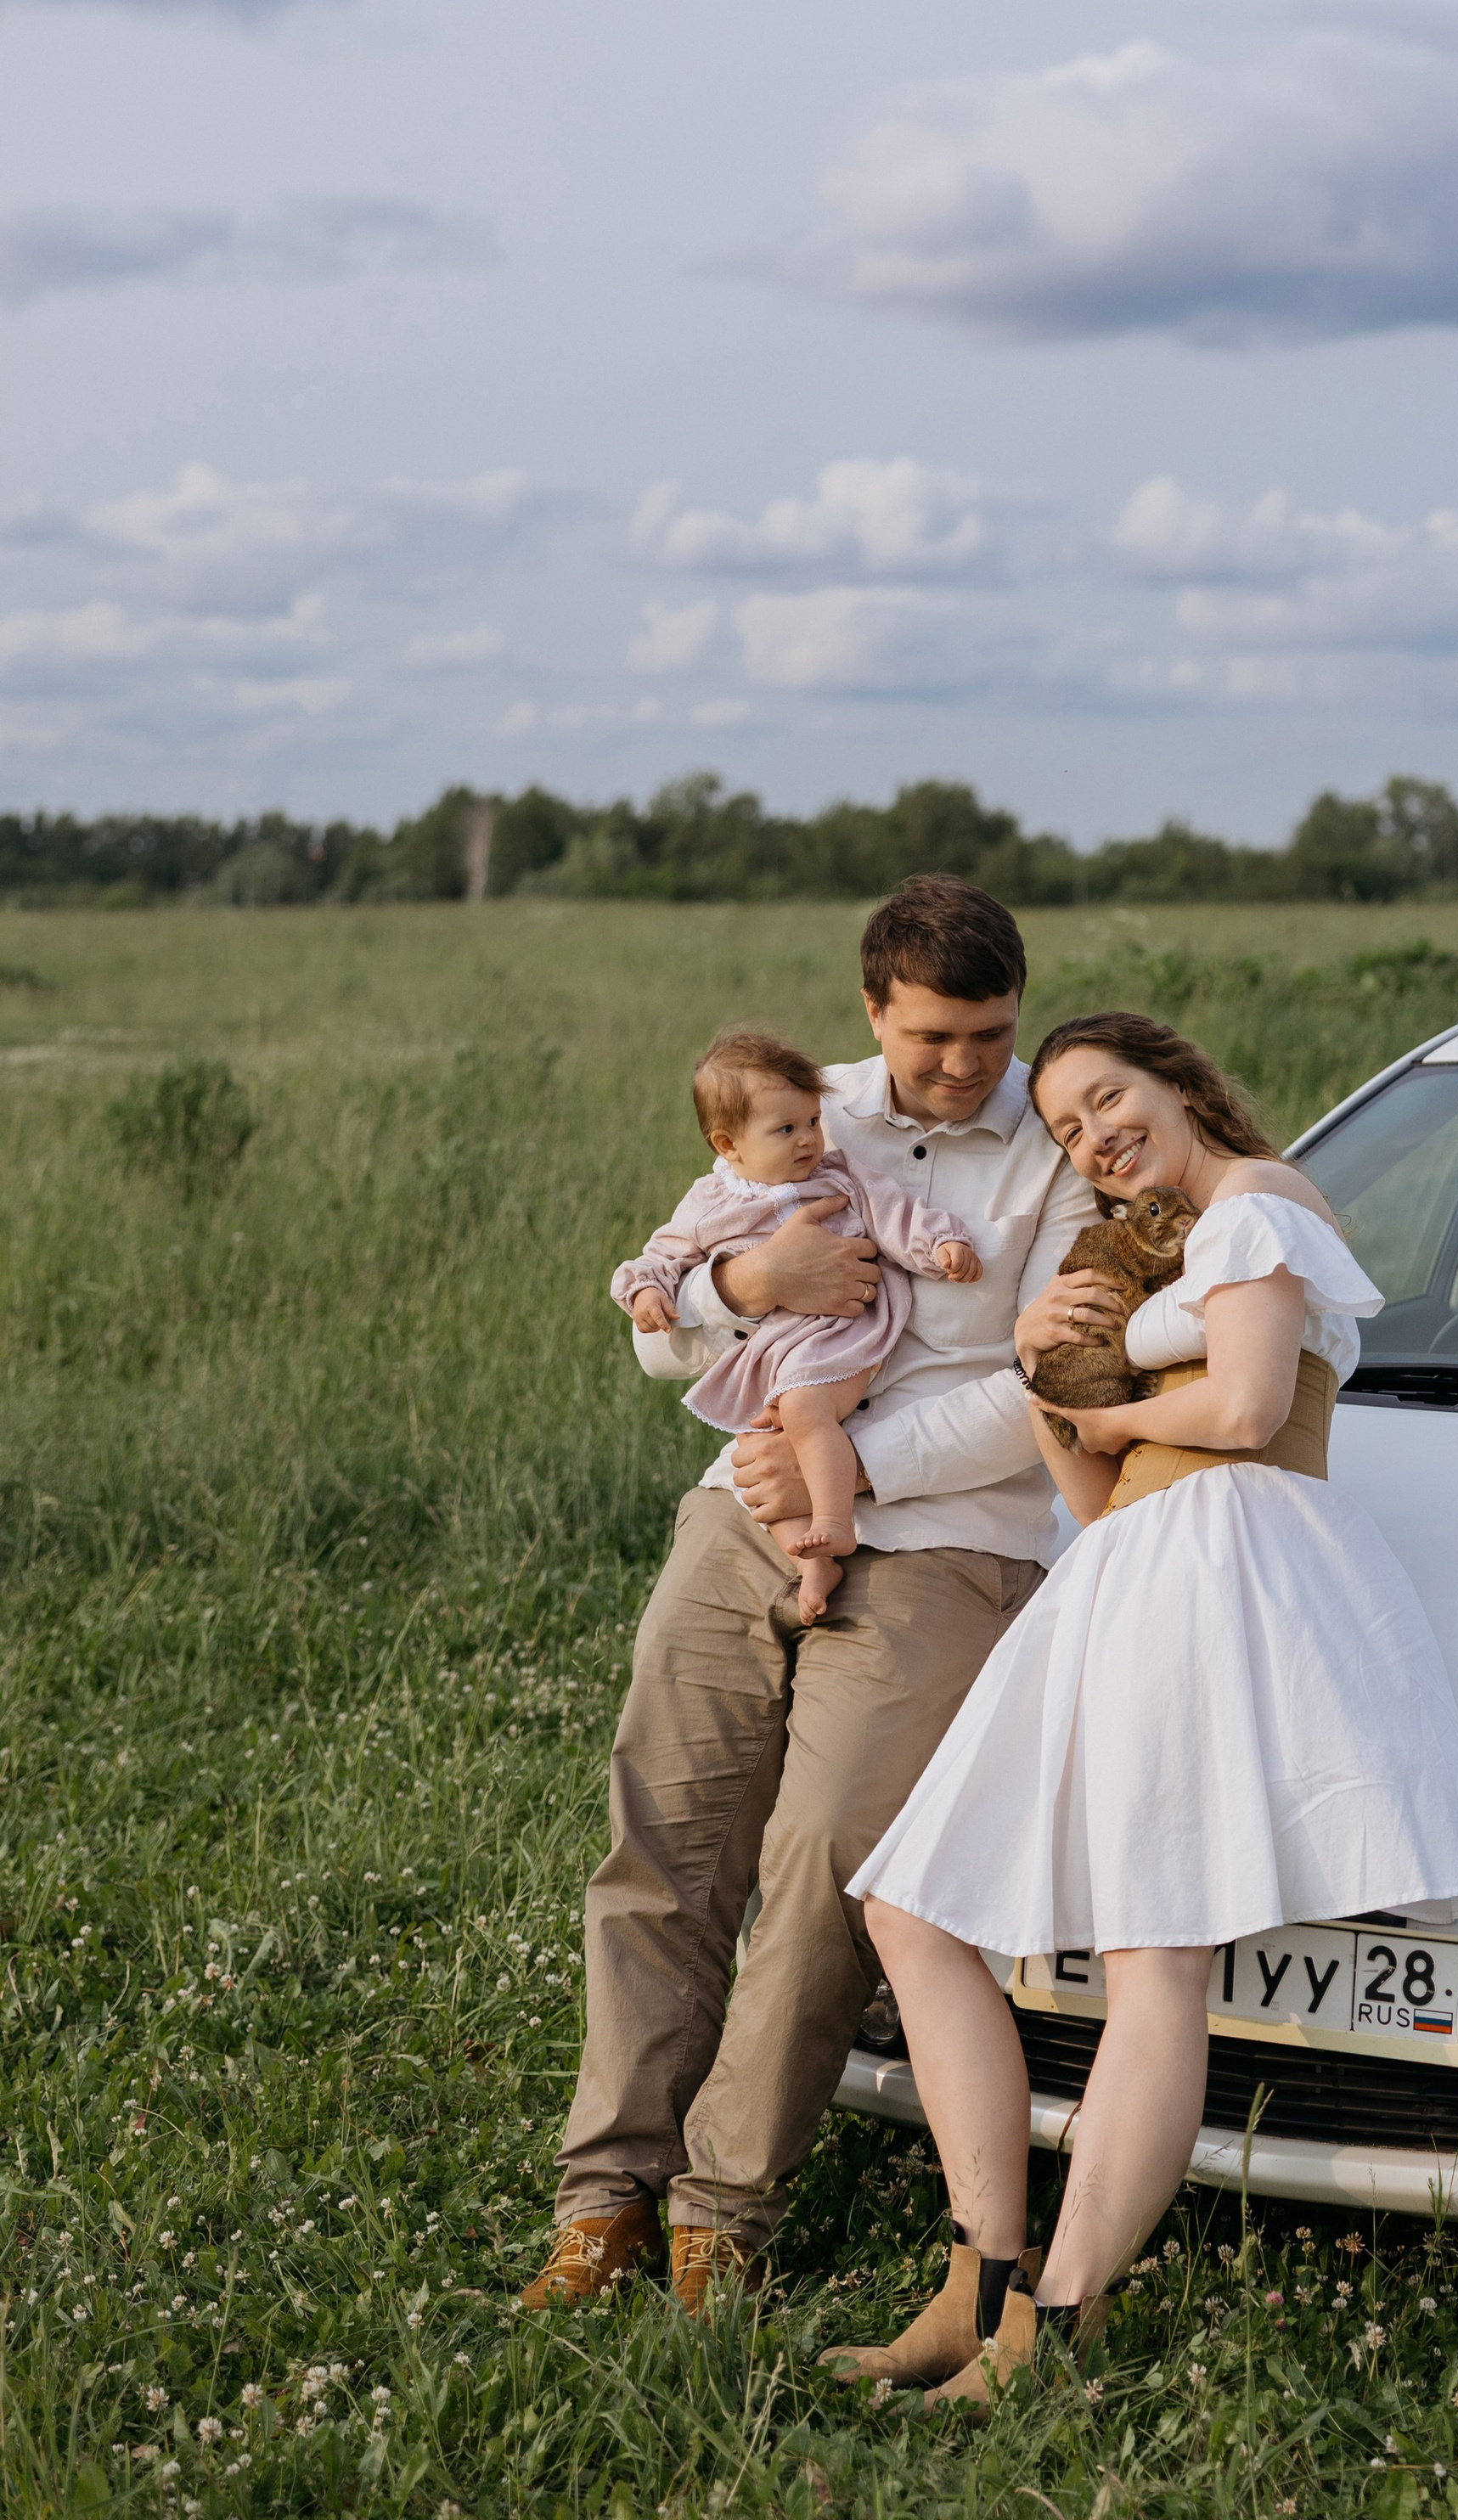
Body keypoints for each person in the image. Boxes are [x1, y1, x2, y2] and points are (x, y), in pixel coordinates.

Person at [832, 1010, 1458, 2405]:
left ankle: (1052, 2323)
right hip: (1130, 1565)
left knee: (1156, 1958)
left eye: (1110, 1098)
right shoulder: (1152, 1254)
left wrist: (1115, 1417)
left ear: (1181, 1081)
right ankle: (980, 2279)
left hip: (1225, 1556)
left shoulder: (1262, 1202)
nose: (1094, 1136)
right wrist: (1042, 1377)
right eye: (1068, 1128)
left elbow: (1252, 1408)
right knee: (911, 1907)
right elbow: (1092, 1499)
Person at [521, 879, 1112, 2316]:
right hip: (741, 1517)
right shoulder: (795, 1110)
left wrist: (854, 1469)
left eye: (991, 1033)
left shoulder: (1059, 1157)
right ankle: (604, 2194)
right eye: (931, 1035)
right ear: (872, 1010)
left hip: (954, 1540)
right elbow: (659, 1334)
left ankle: (723, 2206)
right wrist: (746, 1278)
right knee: (665, 1839)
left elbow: (1044, 1383)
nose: (963, 1064)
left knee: (826, 1856)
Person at [611, 1026, 983, 1621]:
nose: (809, 1138)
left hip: (842, 1335)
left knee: (807, 1413)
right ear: (728, 1144)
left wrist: (939, 1244)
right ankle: (811, 1560)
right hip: (773, 1354)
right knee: (756, 1450)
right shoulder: (709, 1202)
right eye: (786, 1130)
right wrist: (647, 1290)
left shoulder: (839, 1176)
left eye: (812, 1121)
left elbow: (896, 1212)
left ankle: (834, 1520)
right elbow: (664, 1254)